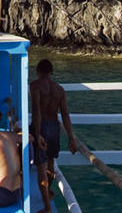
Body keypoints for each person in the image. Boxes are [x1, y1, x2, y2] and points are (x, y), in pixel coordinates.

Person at [30, 59, 80, 213]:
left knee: (41, 167)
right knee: (50, 162)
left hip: (42, 126)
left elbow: (37, 111)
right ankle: (49, 192)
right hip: (54, 127)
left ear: (38, 71)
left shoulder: (35, 86)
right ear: (51, 72)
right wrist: (71, 137)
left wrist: (37, 134)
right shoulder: (60, 89)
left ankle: (47, 207)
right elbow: (65, 114)